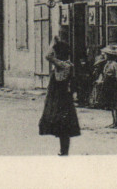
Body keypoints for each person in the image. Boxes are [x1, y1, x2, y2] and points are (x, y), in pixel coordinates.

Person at [38, 28, 81, 156]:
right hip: (64, 99)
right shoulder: (67, 64)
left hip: (60, 99)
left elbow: (48, 56)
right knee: (64, 125)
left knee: (62, 124)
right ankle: (63, 150)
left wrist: (53, 43)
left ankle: (64, 151)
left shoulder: (63, 65)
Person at [99, 46, 117, 128]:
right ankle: (114, 121)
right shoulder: (107, 64)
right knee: (111, 104)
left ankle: (116, 122)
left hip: (113, 84)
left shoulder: (114, 64)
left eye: (106, 54)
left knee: (114, 104)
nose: (104, 56)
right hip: (108, 84)